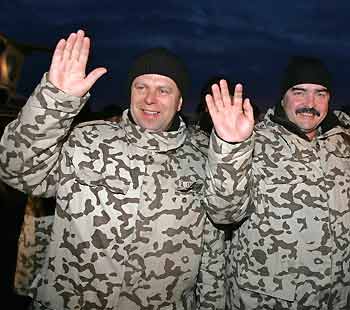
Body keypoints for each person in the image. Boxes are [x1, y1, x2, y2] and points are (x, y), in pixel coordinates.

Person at [0, 30, 226, 310]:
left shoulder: (203, 158)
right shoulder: (87, 139)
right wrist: (55, 101)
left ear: (180, 102)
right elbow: (17, 170)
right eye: (141, 86)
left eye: (163, 89)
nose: (150, 99)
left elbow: (213, 251)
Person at [204, 56, 350, 309]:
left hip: (336, 298)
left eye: (320, 94)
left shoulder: (345, 143)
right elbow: (223, 214)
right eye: (299, 92)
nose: (310, 104)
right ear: (283, 98)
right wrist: (231, 147)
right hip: (268, 300)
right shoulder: (255, 141)